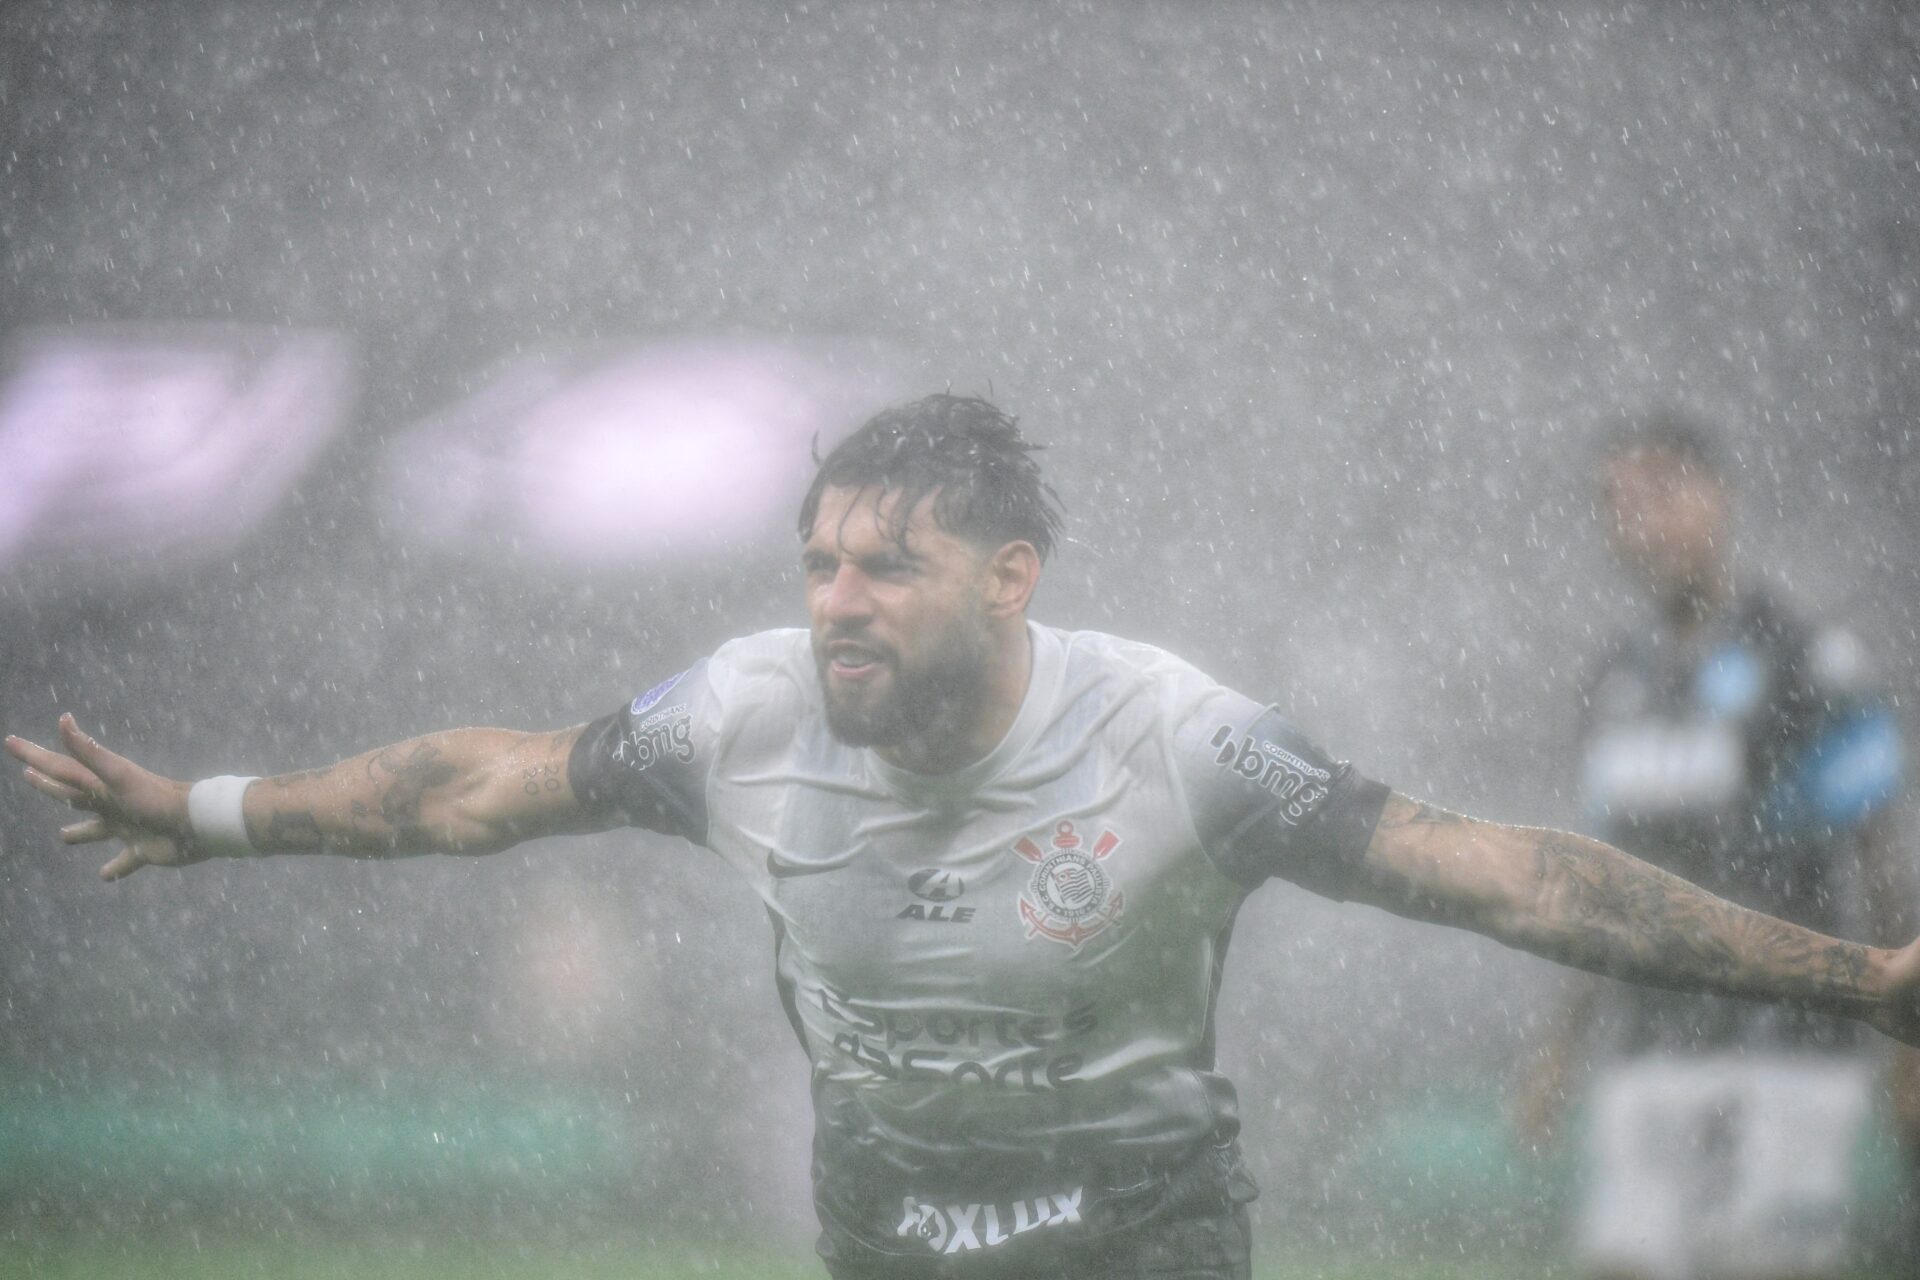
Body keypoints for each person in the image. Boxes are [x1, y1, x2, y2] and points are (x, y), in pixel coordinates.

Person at [11, 394, 1920, 1280]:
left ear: (1012, 580)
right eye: (819, 562)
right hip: (893, 1248)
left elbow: (1510, 871)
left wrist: (1867, 982)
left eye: (888, 568)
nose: (837, 600)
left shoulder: (1172, 739)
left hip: (1146, 1248)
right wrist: (208, 812)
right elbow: (470, 788)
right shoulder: (743, 712)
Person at [1515, 413, 1919, 1280]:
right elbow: (1603, 886)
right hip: (1648, 1048)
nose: (1639, 523)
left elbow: (1881, 867)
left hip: (1787, 1052)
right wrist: (1560, 1047)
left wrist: (1910, 1049)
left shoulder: (1809, 664)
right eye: (1615, 504)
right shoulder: (1616, 682)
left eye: (1661, 493)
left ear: (1720, 497)